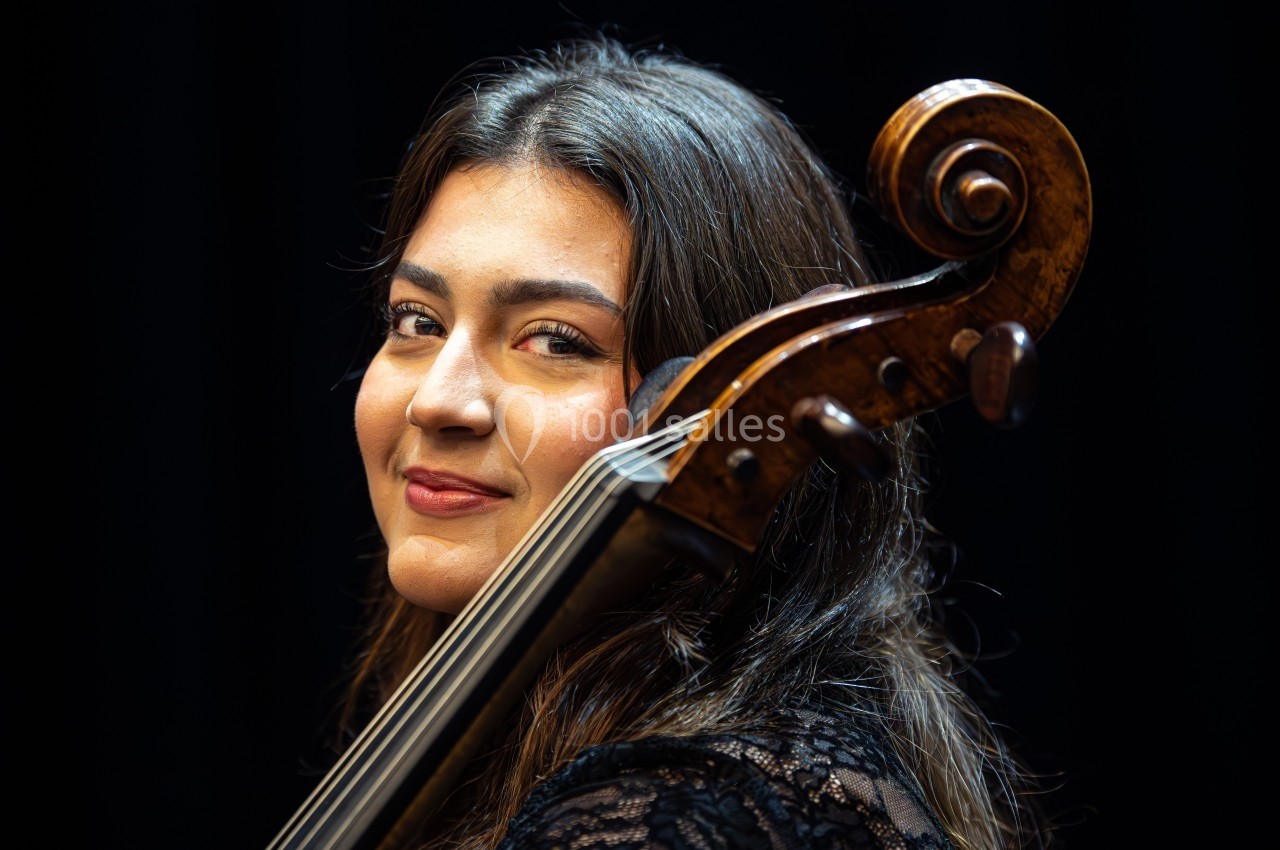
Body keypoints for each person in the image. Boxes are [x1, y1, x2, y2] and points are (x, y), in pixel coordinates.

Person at [338, 35, 1049, 850]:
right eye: (416, 322)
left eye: (556, 340)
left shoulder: (679, 818)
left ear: (725, 408)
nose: (438, 400)